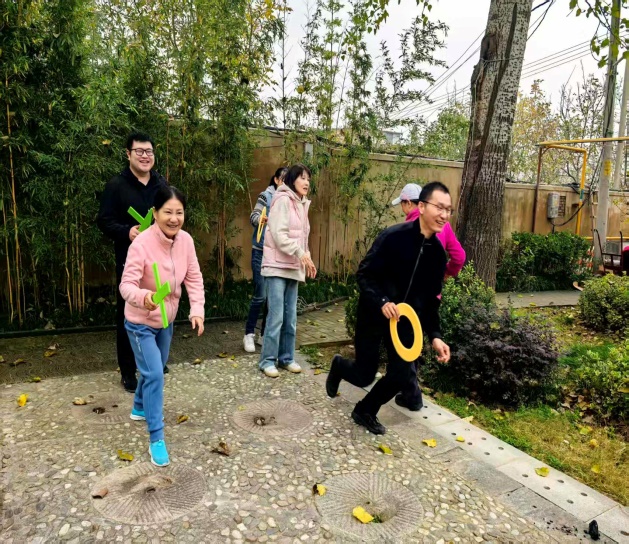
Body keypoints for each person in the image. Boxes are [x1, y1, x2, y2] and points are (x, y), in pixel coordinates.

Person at [326, 181, 452, 435]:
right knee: (364, 375)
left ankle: (365, 410)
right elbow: (364, 274)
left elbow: (431, 301)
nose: (444, 215)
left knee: (402, 374)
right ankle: (340, 366)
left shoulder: (438, 255)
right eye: (439, 207)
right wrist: (382, 301)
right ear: (422, 206)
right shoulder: (393, 237)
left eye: (448, 209)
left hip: (405, 322)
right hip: (374, 312)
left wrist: (435, 336)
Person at [119, 185, 205, 467]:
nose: (174, 218)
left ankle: (139, 406)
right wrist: (144, 297)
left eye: (179, 212)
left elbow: (194, 277)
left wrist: (197, 310)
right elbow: (126, 285)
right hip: (140, 322)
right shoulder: (141, 244)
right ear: (155, 213)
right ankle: (156, 436)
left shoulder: (186, 241)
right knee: (155, 373)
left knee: (154, 368)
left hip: (166, 320)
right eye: (168, 212)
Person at [98, 132, 167, 392]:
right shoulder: (116, 185)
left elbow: (170, 215)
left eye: (149, 151)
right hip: (130, 260)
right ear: (128, 154)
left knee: (158, 306)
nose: (145, 156)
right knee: (128, 313)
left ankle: (156, 361)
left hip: (158, 260)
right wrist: (128, 232)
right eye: (139, 151)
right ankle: (128, 370)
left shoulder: (161, 184)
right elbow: (104, 221)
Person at [391, 182, 466, 410]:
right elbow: (459, 257)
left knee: (405, 344)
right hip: (432, 297)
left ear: (410, 203)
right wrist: (445, 275)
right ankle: (406, 388)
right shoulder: (444, 227)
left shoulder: (409, 228)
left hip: (409, 298)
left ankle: (412, 395)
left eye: (403, 204)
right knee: (416, 340)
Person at [259, 164, 317, 378]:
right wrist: (300, 253)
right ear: (292, 180)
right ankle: (267, 360)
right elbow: (279, 234)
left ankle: (286, 358)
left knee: (290, 317)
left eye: (308, 179)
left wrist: (307, 257)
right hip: (276, 266)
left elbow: (303, 237)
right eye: (302, 178)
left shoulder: (303, 204)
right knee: (276, 317)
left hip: (293, 266)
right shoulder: (282, 200)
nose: (306, 182)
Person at [243, 166, 287, 353]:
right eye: (283, 179)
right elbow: (254, 216)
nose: (286, 184)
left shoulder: (288, 200)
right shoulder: (266, 196)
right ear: (276, 180)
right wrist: (262, 219)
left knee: (272, 297)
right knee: (260, 294)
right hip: (260, 251)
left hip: (277, 254)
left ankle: (263, 333)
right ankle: (249, 334)